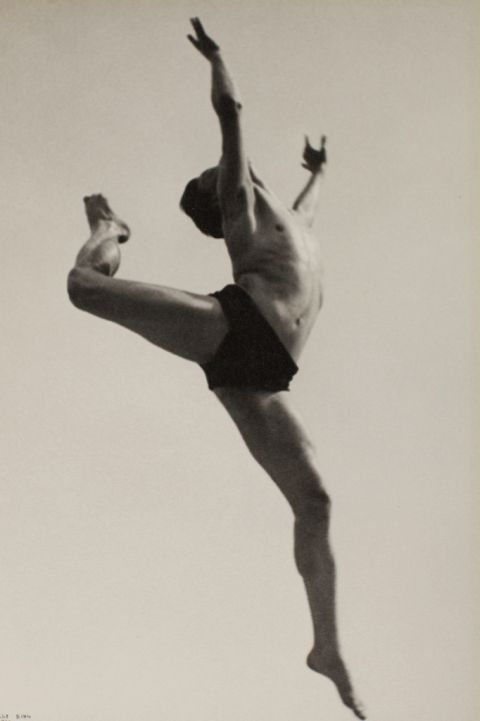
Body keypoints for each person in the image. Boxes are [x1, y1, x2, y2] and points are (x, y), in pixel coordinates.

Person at [67, 18, 365, 719]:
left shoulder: (292, 223)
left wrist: (318, 171)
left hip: (263, 373)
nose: (219, 170)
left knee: (316, 501)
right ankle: (110, 229)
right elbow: (230, 115)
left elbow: (306, 208)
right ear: (218, 196)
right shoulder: (236, 204)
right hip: (233, 325)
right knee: (84, 288)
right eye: (214, 175)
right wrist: (218, 56)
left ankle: (326, 647)